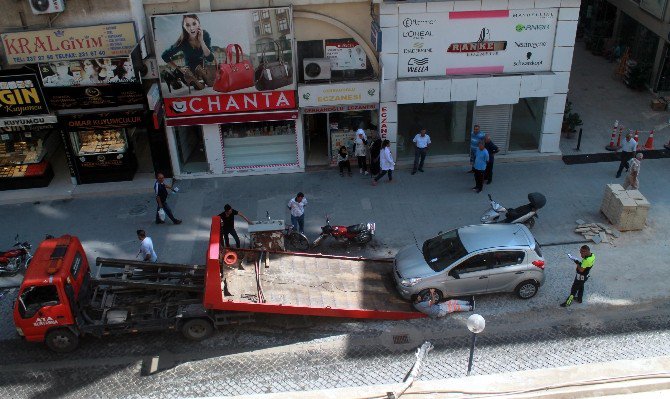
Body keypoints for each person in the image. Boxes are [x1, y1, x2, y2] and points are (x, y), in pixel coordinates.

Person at [161, 14, 215, 89]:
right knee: (192, 82)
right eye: (187, 25)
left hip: (205, 71)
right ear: (184, 27)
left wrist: (201, 41)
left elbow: (210, 58)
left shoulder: (205, 35)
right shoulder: (182, 42)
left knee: (209, 81)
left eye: (194, 23)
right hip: (191, 73)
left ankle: (203, 76)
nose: (191, 28)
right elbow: (164, 56)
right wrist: (179, 69)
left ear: (198, 23)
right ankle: (195, 79)